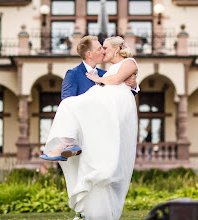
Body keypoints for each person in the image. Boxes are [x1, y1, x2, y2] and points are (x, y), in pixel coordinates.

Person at [40, 36, 138, 220]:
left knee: (102, 170)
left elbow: (121, 87)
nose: (103, 51)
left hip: (103, 128)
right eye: (100, 47)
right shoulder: (73, 73)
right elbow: (68, 99)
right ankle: (69, 144)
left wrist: (133, 85)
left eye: (105, 47)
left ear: (116, 49)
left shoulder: (105, 72)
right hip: (85, 129)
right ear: (89, 53)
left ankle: (100, 214)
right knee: (68, 106)